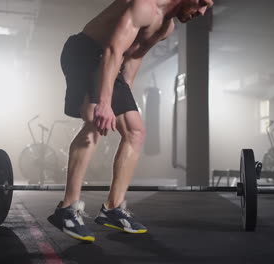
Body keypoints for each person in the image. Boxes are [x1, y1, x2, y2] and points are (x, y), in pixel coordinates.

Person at [50, 0, 214, 242]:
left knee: (136, 131)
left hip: (109, 63)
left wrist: (123, 99)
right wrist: (105, 104)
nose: (202, 12)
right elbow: (113, 50)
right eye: (201, 2)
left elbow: (134, 57)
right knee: (95, 121)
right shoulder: (143, 6)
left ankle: (113, 208)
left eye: (207, 8)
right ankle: (67, 208)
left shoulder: (165, 28)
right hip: (84, 53)